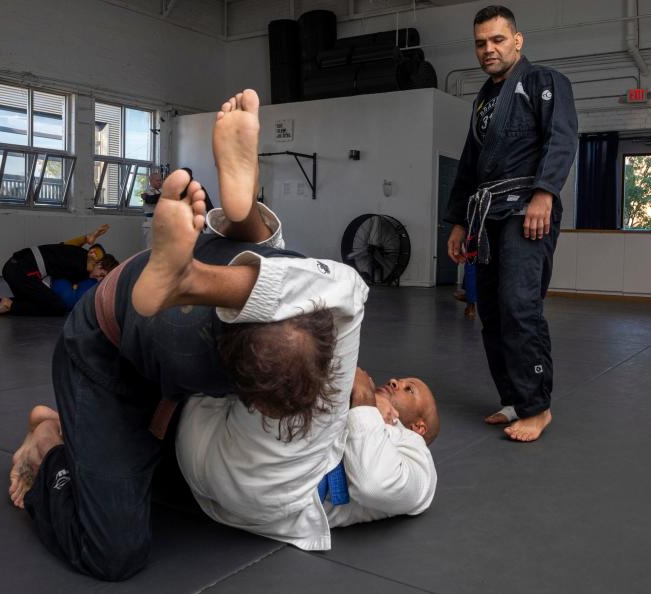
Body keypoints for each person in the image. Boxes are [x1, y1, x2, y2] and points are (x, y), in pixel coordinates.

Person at [7, 90, 374, 581]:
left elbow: (341, 296)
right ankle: (51, 441)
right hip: (108, 347)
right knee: (112, 552)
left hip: (200, 297)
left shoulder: (330, 315)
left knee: (311, 288)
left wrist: (363, 397)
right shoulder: (199, 347)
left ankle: (242, 220)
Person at [444, 5, 578, 442]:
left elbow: (561, 138)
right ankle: (513, 399)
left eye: (498, 40)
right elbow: (470, 164)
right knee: (494, 313)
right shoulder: (483, 100)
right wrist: (459, 222)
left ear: (517, 41)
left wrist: (544, 194)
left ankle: (537, 407)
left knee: (520, 307)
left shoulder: (545, 82)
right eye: (481, 43)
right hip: (486, 215)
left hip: (526, 210)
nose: (489, 49)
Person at [177, 364, 438, 542]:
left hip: (252, 480)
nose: (394, 381)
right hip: (210, 445)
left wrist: (362, 394)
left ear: (419, 427)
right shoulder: (369, 412)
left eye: (409, 389)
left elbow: (376, 484)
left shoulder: (419, 464)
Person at [0, 225, 119, 317]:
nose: (98, 279)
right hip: (22, 271)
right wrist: (91, 245)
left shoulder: (72, 253)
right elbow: (93, 260)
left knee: (38, 299)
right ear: (99, 264)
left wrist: (86, 238)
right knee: (58, 307)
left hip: (13, 266)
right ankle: (10, 305)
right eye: (102, 275)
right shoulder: (87, 263)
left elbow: (65, 244)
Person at [140, 171, 162, 248]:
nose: (160, 182)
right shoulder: (148, 191)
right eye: (157, 180)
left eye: (160, 180)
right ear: (151, 181)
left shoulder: (161, 191)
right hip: (151, 223)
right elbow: (152, 200)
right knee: (151, 249)